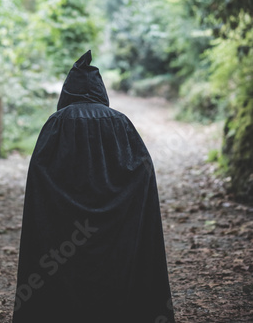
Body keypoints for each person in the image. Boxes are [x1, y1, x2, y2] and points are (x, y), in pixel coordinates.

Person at [12, 50, 175, 323]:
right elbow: (142, 172)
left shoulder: (55, 124)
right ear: (100, 90)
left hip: (65, 240)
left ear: (68, 91)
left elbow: (40, 181)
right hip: (118, 239)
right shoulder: (121, 123)